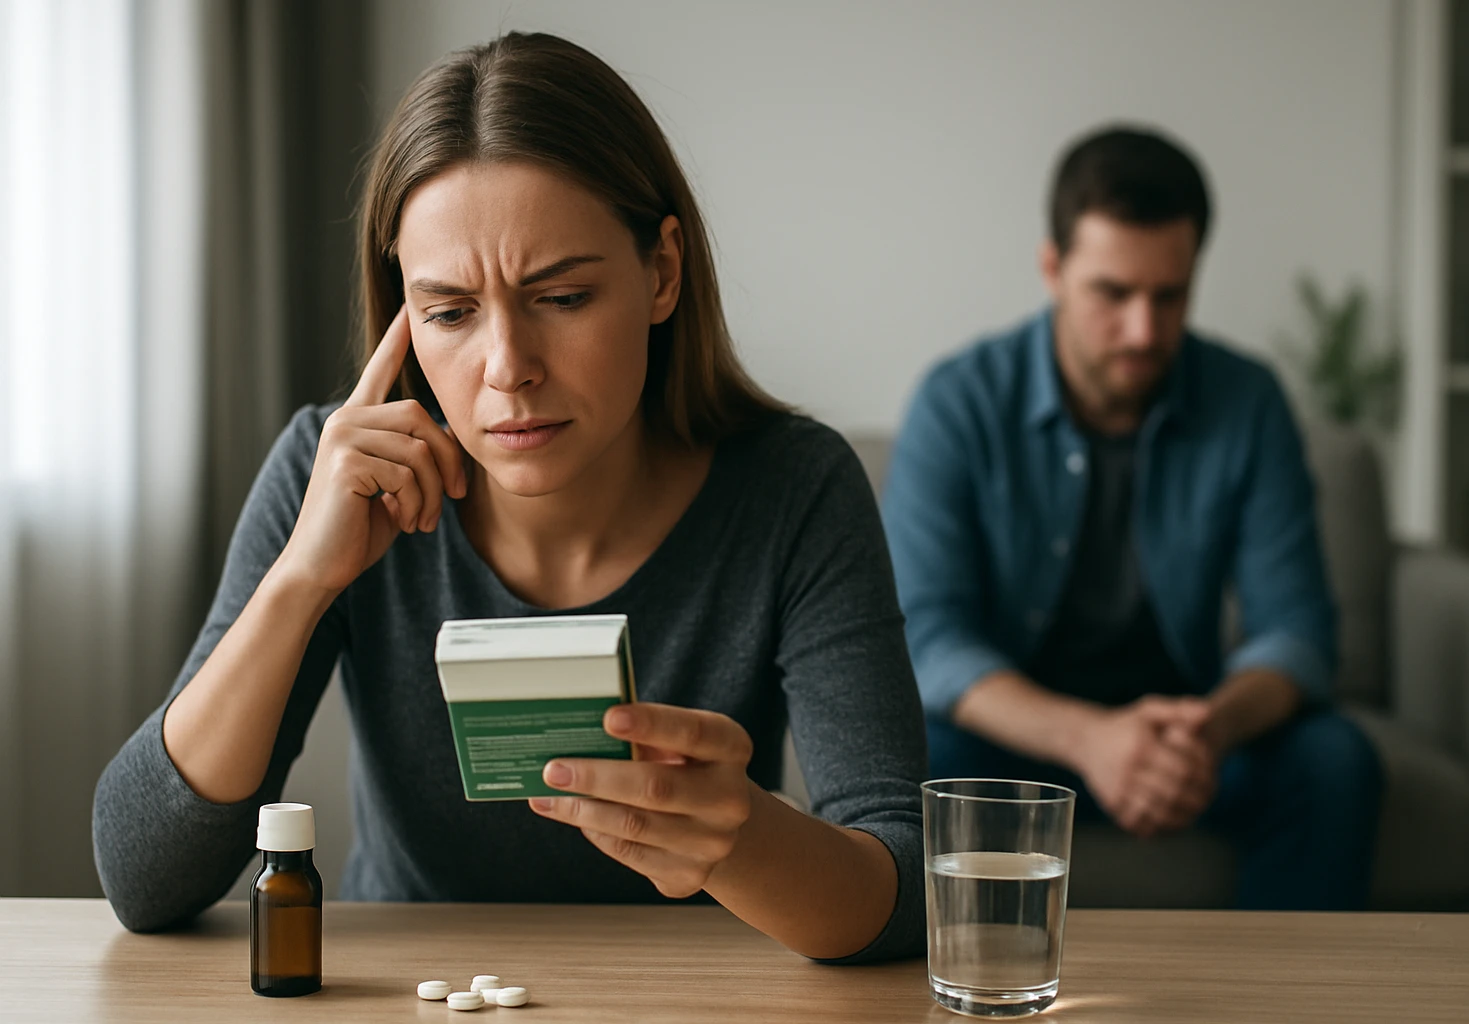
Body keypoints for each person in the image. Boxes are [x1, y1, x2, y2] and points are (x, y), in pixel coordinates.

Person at [93, 30, 926, 963]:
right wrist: (298, 582)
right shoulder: (331, 475)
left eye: (562, 298)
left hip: (696, 994)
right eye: (449, 313)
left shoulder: (793, 489)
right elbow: (143, 878)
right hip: (416, 993)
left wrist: (746, 837)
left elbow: (902, 882)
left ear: (662, 272)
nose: (508, 370)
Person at [882, 126, 1382, 910]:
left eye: (1169, 295)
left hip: (1185, 734)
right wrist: (1090, 739)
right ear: (1053, 268)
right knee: (912, 763)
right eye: (1114, 294)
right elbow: (931, 639)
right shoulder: (958, 402)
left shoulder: (1247, 402)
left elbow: (1298, 633)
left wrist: (1202, 734)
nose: (1145, 331)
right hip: (1013, 738)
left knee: (1333, 761)